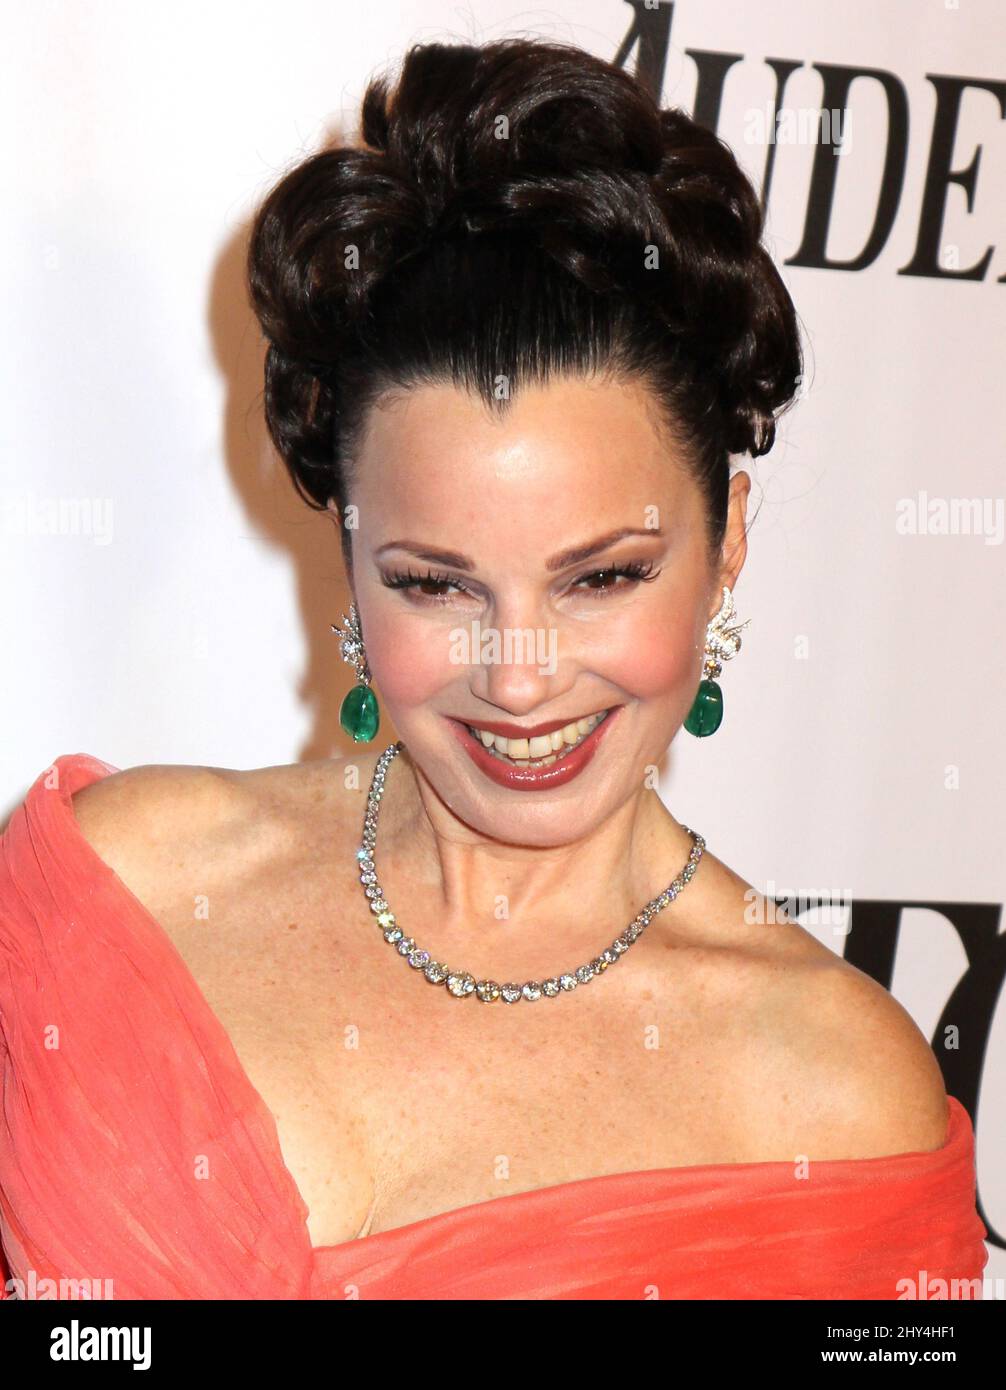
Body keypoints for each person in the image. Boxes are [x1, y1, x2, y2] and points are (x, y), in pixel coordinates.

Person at [0, 37, 987, 1300]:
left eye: (601, 577)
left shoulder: (838, 1101)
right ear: (349, 558)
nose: (518, 682)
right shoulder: (121, 885)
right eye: (436, 584)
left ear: (728, 542)